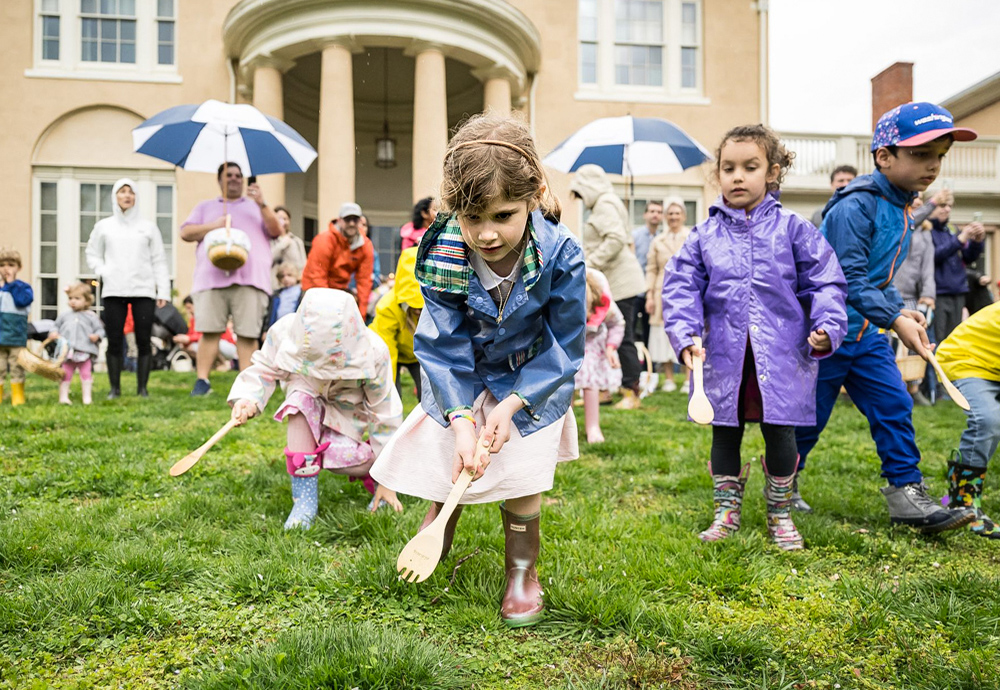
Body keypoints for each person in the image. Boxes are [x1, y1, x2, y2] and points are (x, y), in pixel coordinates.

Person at [370, 114, 586, 628]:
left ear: (533, 196)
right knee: (451, 454)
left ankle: (521, 572)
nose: (486, 234)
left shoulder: (562, 254)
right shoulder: (442, 253)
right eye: (472, 218)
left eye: (503, 216)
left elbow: (564, 345)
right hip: (463, 377)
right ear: (453, 210)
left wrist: (511, 406)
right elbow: (443, 345)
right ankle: (440, 521)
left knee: (523, 471)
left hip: (532, 380)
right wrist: (463, 419)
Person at [795, 102, 979, 533]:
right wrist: (895, 319)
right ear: (884, 156)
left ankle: (906, 493)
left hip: (865, 334)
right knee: (808, 420)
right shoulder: (855, 206)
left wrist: (900, 309)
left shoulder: (902, 208)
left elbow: (880, 276)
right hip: (826, 334)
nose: (933, 165)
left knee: (895, 404)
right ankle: (782, 484)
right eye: (921, 154)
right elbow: (848, 279)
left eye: (939, 155)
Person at [663, 124, 848, 550]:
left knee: (781, 432)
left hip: (782, 355)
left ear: (772, 172)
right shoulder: (704, 236)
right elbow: (681, 286)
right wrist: (685, 334)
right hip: (723, 355)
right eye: (728, 168)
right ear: (718, 174)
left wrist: (828, 325)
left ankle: (780, 513)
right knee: (723, 433)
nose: (738, 177)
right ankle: (726, 512)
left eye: (750, 167)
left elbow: (825, 281)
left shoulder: (794, 229)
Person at [229, 288, 403, 528]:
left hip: (347, 416)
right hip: (306, 396)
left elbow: (384, 413)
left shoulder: (374, 352)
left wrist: (387, 480)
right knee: (299, 402)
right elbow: (264, 370)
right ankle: (304, 501)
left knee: (353, 459)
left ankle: (370, 473)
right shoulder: (283, 333)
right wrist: (248, 398)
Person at [180, 162, 281, 396]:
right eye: (229, 175)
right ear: (219, 180)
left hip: (250, 279)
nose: (234, 179)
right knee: (209, 330)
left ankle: (248, 386)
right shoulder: (205, 207)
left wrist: (262, 203)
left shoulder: (257, 207)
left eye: (238, 175)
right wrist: (213, 226)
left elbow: (276, 231)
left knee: (247, 333)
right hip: (211, 279)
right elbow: (185, 232)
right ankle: (202, 381)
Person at [569, 164, 646, 410]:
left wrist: (589, 265)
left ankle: (631, 391)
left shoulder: (605, 204)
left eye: (581, 194)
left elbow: (615, 239)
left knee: (623, 336)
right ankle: (602, 390)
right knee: (605, 336)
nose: (582, 200)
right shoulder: (605, 203)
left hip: (620, 282)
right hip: (612, 281)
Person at [85, 178, 170, 399]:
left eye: (130, 192)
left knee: (143, 340)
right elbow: (92, 253)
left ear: (136, 197)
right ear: (115, 196)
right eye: (122, 191)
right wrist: (103, 270)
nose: (126, 196)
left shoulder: (148, 227)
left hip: (144, 290)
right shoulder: (104, 226)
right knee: (114, 340)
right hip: (114, 290)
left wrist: (163, 291)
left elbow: (159, 260)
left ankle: (143, 389)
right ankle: (115, 389)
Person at [937, 302, 1000, 539]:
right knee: (987, 420)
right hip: (967, 358)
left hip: (994, 362)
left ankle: (956, 496)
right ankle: (963, 504)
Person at [892, 194, 937, 407]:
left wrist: (928, 294)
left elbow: (928, 267)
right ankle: (892, 387)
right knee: (887, 344)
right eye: (913, 197)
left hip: (911, 296)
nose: (917, 201)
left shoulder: (925, 233)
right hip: (887, 294)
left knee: (914, 342)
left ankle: (914, 388)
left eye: (921, 200)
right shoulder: (894, 223)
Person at [645, 198, 690, 393]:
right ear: (665, 217)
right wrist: (649, 295)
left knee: (687, 331)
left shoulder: (691, 237)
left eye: (677, 213)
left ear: (683, 216)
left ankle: (688, 379)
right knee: (662, 333)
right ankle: (669, 378)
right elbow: (651, 269)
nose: (673, 217)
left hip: (686, 290)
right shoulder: (657, 241)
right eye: (670, 213)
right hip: (661, 291)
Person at [300, 202, 375, 316]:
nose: (351, 223)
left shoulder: (365, 245)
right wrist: (327, 309)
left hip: (340, 290)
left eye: (355, 220)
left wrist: (361, 315)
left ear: (360, 222)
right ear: (339, 220)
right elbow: (317, 275)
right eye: (347, 219)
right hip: (314, 289)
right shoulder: (324, 240)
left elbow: (364, 281)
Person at [369, 247, 424, 400]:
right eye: (413, 306)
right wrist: (389, 396)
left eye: (421, 306)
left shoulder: (436, 305)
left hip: (417, 353)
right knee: (393, 393)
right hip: (389, 353)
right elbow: (387, 354)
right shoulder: (387, 307)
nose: (418, 310)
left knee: (429, 394)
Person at [931, 198, 986, 344]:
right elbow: (934, 256)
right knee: (937, 340)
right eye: (942, 205)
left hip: (958, 291)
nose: (947, 209)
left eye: (950, 206)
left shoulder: (952, 229)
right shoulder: (926, 229)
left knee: (953, 340)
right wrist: (960, 239)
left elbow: (968, 257)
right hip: (937, 294)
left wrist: (977, 242)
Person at [577, 269, 623, 444]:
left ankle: (593, 427)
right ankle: (565, 427)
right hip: (569, 343)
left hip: (593, 345)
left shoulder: (604, 304)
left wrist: (611, 348)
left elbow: (618, 323)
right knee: (565, 384)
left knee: (590, 381)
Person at [50, 282, 104, 405]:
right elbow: (55, 326)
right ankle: (63, 397)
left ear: (87, 300)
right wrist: (53, 333)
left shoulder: (91, 316)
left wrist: (96, 336)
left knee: (86, 374)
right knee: (65, 374)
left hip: (85, 352)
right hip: (67, 353)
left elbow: (100, 330)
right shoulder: (64, 315)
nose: (73, 301)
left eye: (77, 298)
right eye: (70, 298)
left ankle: (87, 397)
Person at [0, 247, 33, 406]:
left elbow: (22, 301)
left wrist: (11, 284)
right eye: (2, 265)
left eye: (11, 265)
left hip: (16, 337)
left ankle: (18, 396)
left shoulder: (23, 288)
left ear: (19, 268)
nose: (6, 269)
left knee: (16, 367)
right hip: (0, 337)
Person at [173, 295, 238, 370]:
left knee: (210, 343)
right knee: (190, 347)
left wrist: (188, 339)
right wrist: (183, 341)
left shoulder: (208, 316)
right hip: (216, 345)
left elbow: (207, 335)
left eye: (189, 308)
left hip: (228, 347)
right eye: (186, 308)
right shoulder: (193, 319)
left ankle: (224, 364)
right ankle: (214, 365)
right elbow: (192, 335)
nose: (188, 311)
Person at [631, 200, 663, 349]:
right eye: (652, 211)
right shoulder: (635, 236)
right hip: (636, 291)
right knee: (631, 328)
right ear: (645, 214)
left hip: (653, 293)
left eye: (659, 212)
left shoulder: (662, 238)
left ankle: (649, 362)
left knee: (649, 331)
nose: (655, 215)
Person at [270, 205, 306, 291]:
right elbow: (268, 259)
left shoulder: (297, 242)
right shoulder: (269, 241)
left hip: (294, 289)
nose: (283, 222)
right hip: (274, 289)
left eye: (285, 219)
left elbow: (303, 265)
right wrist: (281, 245)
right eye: (279, 218)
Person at [267, 264, 302, 331]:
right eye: (282, 276)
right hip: (277, 327)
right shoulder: (277, 294)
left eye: (289, 275)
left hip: (293, 327)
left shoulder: (301, 292)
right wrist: (266, 330)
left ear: (296, 276)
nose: (285, 279)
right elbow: (270, 314)